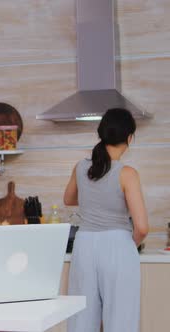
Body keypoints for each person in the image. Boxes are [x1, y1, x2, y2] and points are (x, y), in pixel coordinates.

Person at [63, 108, 148, 332]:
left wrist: (93, 195)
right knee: (121, 320)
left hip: (84, 245)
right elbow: (141, 227)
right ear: (129, 138)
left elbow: (68, 199)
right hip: (118, 245)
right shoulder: (127, 173)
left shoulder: (82, 167)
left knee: (81, 318)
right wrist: (131, 245)